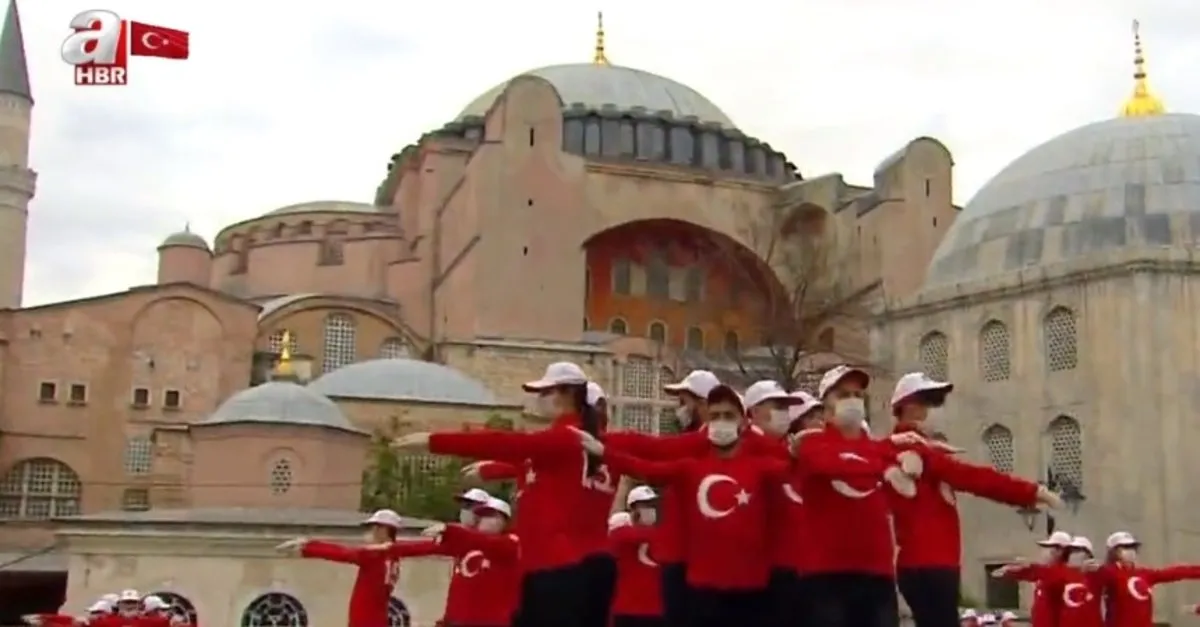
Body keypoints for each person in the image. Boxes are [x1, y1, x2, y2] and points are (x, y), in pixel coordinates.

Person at [392, 362, 611, 627]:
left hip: (557, 570)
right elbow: (528, 460)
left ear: (566, 393)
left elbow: (508, 443)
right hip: (554, 567)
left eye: (545, 392)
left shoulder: (566, 436)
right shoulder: (568, 442)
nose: (539, 400)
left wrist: (434, 441)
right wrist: (491, 470)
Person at [576, 384, 788, 627]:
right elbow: (649, 465)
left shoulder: (763, 466)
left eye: (728, 416)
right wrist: (604, 451)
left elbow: (799, 473)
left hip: (752, 587)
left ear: (743, 422)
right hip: (702, 586)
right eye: (715, 415)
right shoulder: (691, 466)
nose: (721, 422)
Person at [887, 372, 1060, 627]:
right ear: (910, 407)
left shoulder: (922, 449)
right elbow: (972, 478)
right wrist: (1030, 492)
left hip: (929, 563)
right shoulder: (913, 450)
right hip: (928, 563)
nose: (938, 410)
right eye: (933, 403)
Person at [792, 365, 921, 627]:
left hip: (876, 571)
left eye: (857, 395)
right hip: (827, 572)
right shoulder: (813, 443)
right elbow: (826, 465)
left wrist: (913, 458)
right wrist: (884, 469)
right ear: (826, 403)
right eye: (842, 394)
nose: (852, 401)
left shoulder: (878, 448)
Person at [603, 372, 720, 627]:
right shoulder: (697, 439)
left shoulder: (706, 440)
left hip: (693, 553)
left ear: (701, 403)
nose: (680, 410)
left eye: (683, 402)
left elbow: (655, 450)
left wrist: (605, 443)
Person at [275, 509, 431, 627]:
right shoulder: (394, 553)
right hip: (377, 619)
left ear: (382, 530)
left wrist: (306, 546)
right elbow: (420, 547)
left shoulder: (376, 554)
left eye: (373, 528)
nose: (369, 533)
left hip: (364, 620)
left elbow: (344, 554)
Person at [416, 497, 519, 627]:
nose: (485, 520)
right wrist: (389, 547)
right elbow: (427, 547)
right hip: (461, 620)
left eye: (492, 515)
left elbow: (489, 543)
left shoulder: (511, 542)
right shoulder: (469, 543)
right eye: (482, 516)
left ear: (505, 521)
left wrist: (450, 529)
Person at [1092, 531, 1200, 627]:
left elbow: (1173, 572)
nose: (1130, 551)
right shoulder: (1108, 572)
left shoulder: (1144, 574)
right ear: (1113, 552)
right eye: (1124, 547)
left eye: (1132, 547)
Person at [993, 536, 1102, 627]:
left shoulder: (1089, 574)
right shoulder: (1055, 573)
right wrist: (1011, 571)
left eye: (1077, 550)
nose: (1072, 554)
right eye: (1071, 551)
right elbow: (1036, 572)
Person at [610, 486, 664, 627]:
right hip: (628, 610)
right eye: (645, 505)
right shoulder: (621, 535)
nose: (651, 509)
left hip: (656, 610)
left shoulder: (661, 536)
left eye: (652, 505)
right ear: (633, 509)